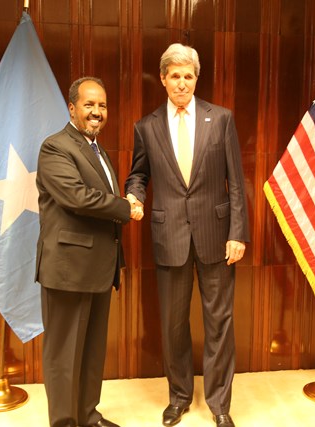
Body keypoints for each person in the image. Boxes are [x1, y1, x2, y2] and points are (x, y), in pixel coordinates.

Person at [125, 43, 250, 427]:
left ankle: (220, 404)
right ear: (163, 79)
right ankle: (178, 397)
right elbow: (138, 173)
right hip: (170, 237)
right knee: (174, 325)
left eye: (189, 76)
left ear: (197, 79)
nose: (182, 83)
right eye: (175, 76)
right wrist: (133, 195)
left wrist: (238, 232)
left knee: (219, 323)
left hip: (217, 236)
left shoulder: (221, 119)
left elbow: (236, 181)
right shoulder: (146, 127)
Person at [36, 76, 142, 427]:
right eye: (89, 104)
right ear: (72, 108)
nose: (97, 112)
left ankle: (87, 416)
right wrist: (125, 207)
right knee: (64, 356)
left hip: (97, 267)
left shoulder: (97, 149)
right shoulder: (55, 147)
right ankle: (65, 422)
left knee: (91, 351)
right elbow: (77, 198)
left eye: (102, 105)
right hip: (68, 269)